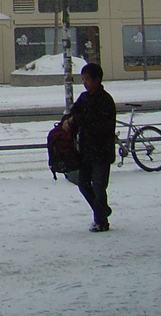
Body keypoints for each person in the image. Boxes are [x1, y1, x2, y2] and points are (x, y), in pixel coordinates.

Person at [64, 62, 117, 232]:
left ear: (97, 79)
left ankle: (101, 221)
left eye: (87, 79)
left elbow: (98, 123)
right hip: (86, 150)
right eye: (83, 79)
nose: (84, 83)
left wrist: (77, 119)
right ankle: (102, 210)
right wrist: (67, 120)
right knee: (83, 183)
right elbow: (74, 112)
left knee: (99, 186)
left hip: (102, 150)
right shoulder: (84, 98)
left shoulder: (105, 100)